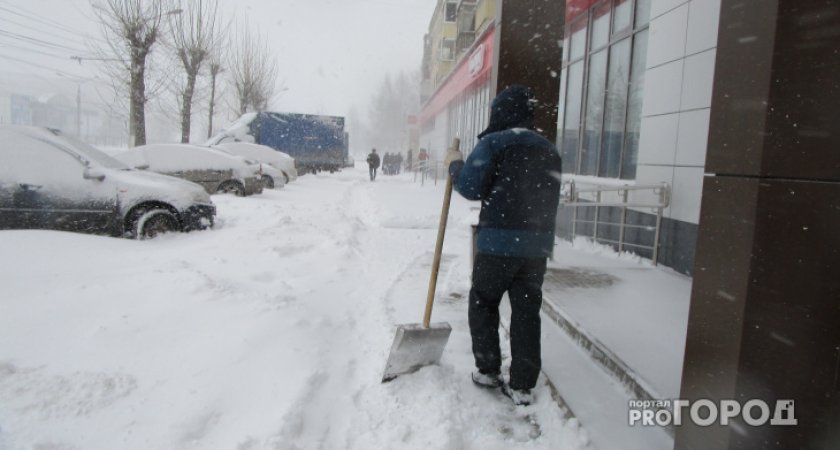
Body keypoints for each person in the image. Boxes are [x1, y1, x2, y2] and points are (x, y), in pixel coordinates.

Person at [445, 85, 562, 406]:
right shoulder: (548, 149)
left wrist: (455, 164)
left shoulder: (494, 143)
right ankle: (523, 384)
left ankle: (489, 370)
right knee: (527, 312)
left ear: (498, 113)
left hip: (497, 245)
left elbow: (470, 186)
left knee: (484, 302)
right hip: (536, 249)